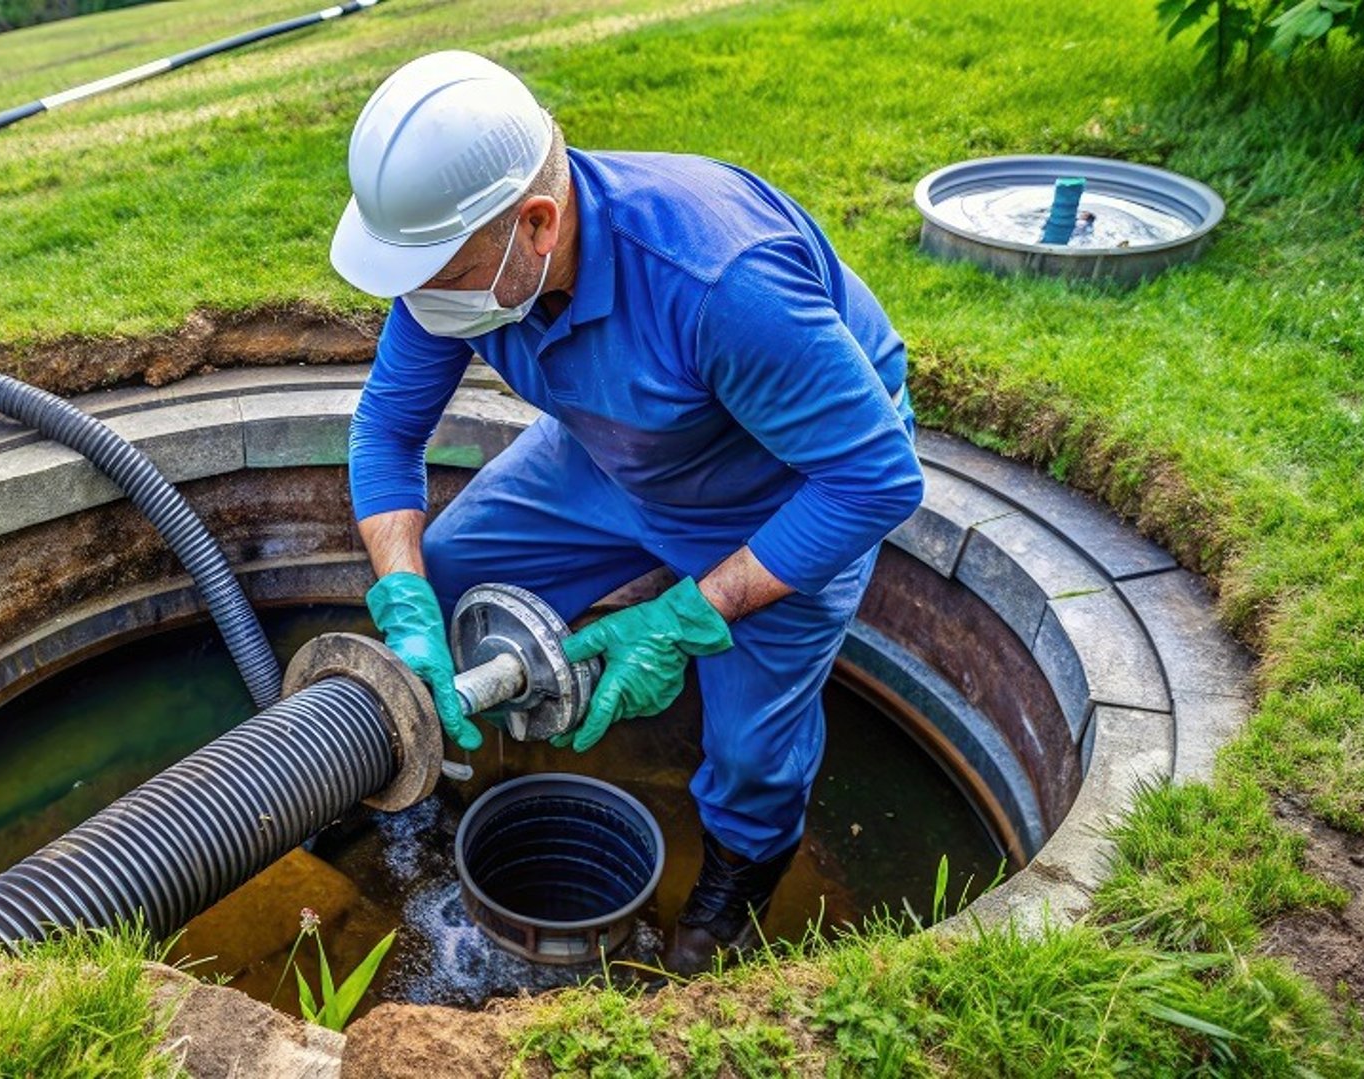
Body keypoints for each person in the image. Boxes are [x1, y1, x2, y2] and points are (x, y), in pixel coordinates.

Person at [329, 50, 923, 973]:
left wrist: (688, 616)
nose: (418, 304)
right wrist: (404, 594)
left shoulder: (721, 281)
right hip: (615, 453)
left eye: (435, 277)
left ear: (535, 224)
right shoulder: (461, 271)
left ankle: (727, 894)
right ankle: (435, 779)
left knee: (752, 751)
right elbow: (385, 433)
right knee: (444, 572)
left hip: (786, 477)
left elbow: (875, 480)